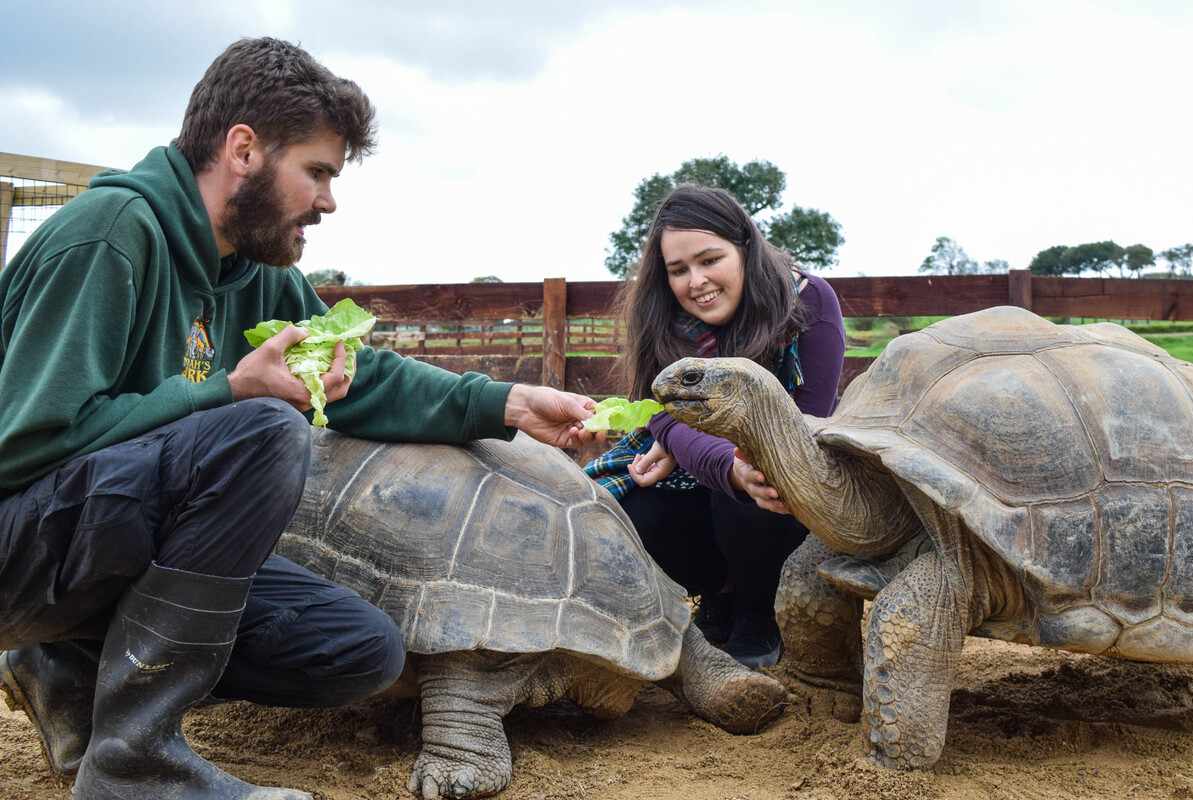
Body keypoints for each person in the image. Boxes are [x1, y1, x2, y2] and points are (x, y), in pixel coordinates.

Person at [0, 38, 598, 800]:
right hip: (16, 544)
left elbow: (361, 375)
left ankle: (66, 657)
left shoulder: (251, 270)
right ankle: (135, 766)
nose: (328, 200)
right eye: (317, 171)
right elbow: (23, 447)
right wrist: (226, 392)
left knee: (360, 650)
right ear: (244, 150)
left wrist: (507, 404)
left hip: (93, 540)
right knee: (265, 431)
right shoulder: (110, 233)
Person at [585, 184, 845, 669]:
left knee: (758, 486)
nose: (696, 282)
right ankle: (719, 592)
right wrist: (698, 451)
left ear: (745, 246)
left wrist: (689, 446)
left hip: (786, 479)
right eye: (678, 270)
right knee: (637, 510)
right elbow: (661, 409)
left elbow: (804, 426)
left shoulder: (809, 304)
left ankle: (759, 610)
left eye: (709, 260)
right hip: (703, 471)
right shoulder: (663, 317)